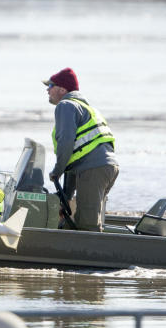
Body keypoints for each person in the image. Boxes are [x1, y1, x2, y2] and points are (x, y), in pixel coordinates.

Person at [44, 67, 119, 232]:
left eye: (50, 86)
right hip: (104, 168)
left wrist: (57, 170)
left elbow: (66, 143)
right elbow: (75, 157)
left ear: (63, 89)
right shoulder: (84, 107)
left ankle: (91, 255)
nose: (47, 90)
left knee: (87, 226)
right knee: (83, 217)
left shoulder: (65, 105)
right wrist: (66, 197)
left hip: (93, 170)